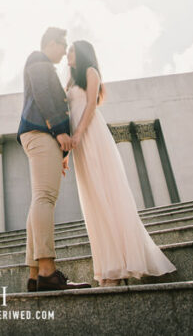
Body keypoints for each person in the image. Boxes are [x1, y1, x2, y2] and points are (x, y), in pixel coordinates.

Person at [67, 40, 177, 286]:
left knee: (107, 195)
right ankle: (107, 268)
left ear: (82, 53)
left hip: (91, 136)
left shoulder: (90, 72)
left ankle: (117, 268)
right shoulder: (71, 81)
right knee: (93, 201)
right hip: (79, 144)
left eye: (71, 51)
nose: (67, 56)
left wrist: (78, 134)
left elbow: (91, 106)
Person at [17, 27, 91, 292]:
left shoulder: (43, 62)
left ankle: (36, 274)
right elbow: (42, 95)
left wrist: (60, 150)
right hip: (41, 132)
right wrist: (59, 132)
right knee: (45, 198)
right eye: (62, 45)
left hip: (40, 135)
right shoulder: (38, 58)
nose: (64, 50)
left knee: (40, 198)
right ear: (51, 43)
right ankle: (48, 271)